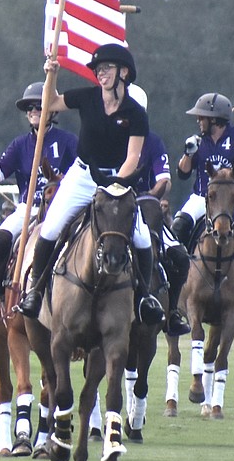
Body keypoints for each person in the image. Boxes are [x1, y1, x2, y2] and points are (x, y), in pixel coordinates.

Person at [17, 44, 165, 325]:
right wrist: (52, 76)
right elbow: (50, 103)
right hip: (83, 176)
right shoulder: (87, 97)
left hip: (118, 180)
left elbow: (133, 156)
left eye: (106, 68)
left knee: (142, 237)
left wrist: (117, 185)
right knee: (49, 229)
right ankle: (35, 290)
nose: (101, 74)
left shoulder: (135, 113)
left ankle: (145, 297)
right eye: (98, 70)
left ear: (124, 72)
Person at [0, 81, 77, 318]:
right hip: (28, 208)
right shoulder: (20, 145)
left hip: (63, 207)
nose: (33, 112)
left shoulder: (68, 142)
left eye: (38, 107)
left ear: (52, 111)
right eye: (29, 109)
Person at [172, 91, 234, 311]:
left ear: (214, 119)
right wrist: (188, 153)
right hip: (200, 197)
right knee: (177, 229)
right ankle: (173, 284)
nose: (198, 121)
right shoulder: (199, 141)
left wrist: (233, 173)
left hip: (230, 202)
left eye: (202, 117)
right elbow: (182, 173)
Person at [127, 85, 191, 336]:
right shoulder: (105, 135)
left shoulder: (153, 141)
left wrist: (153, 195)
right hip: (110, 204)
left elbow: (165, 180)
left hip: (143, 206)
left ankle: (172, 312)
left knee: (179, 257)